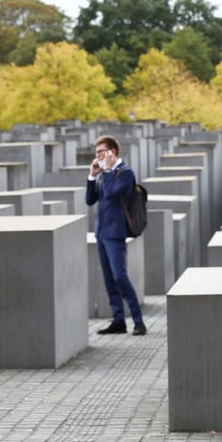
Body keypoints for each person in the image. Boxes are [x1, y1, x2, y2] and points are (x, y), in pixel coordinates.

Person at [86, 134, 145, 336]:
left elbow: (112, 192)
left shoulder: (125, 172)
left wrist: (108, 170)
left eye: (102, 152)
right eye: (96, 153)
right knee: (109, 279)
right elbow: (89, 199)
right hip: (101, 232)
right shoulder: (103, 173)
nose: (98, 156)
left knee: (120, 277)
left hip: (116, 233)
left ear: (113, 151)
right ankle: (118, 320)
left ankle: (138, 321)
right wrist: (92, 176)